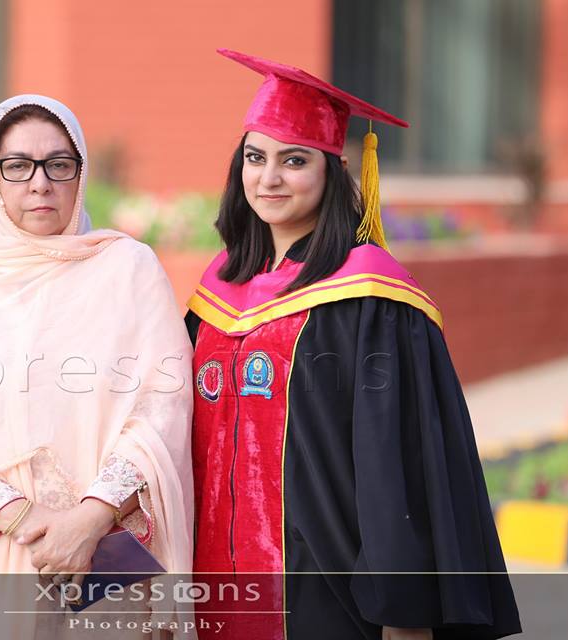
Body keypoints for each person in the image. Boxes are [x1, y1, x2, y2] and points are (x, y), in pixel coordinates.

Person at [185, 49, 522, 640]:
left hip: (325, 594)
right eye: (255, 158)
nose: (269, 178)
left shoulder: (369, 297)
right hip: (213, 587)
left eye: (294, 161)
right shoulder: (219, 291)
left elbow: (394, 465)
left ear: (333, 170)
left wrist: (403, 614)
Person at [0, 94, 195, 639]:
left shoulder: (126, 269)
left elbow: (161, 405)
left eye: (59, 164)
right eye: (18, 165)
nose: (40, 183)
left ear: (80, 173)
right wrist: (26, 521)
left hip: (102, 549)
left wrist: (89, 519)